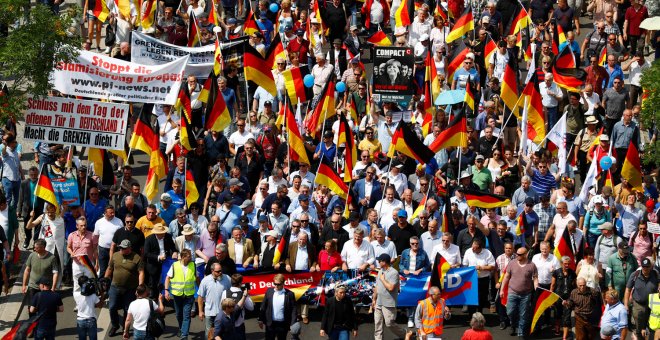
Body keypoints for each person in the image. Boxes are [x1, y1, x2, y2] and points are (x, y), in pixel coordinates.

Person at [105, 240, 145, 337]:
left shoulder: (137, 258)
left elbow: (141, 272)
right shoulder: (115, 255)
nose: (121, 249)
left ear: (129, 248)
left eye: (123, 248)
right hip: (115, 286)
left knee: (127, 309)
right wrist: (105, 280)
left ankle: (124, 327)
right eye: (120, 247)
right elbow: (110, 268)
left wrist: (140, 287)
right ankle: (115, 325)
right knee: (112, 307)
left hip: (130, 289)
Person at [372, 253, 410, 340]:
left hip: (388, 303)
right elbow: (377, 287)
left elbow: (391, 287)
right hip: (379, 302)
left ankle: (405, 334)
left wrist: (382, 279)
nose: (378, 262)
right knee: (377, 324)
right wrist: (374, 299)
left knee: (389, 324)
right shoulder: (380, 271)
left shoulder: (394, 273)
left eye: (379, 261)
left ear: (384, 262)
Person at [164, 249, 199, 339]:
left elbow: (197, 278)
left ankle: (184, 335)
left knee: (186, 315)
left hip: (189, 295)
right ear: (183, 257)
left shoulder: (193, 265)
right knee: (179, 314)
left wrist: (200, 289)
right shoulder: (175, 265)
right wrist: (166, 290)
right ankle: (181, 328)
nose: (191, 257)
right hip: (177, 295)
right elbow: (168, 278)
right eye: (189, 256)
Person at [624, 258, 659, 340]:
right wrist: (626, 304)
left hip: (652, 306)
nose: (645, 269)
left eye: (647, 267)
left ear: (650, 267)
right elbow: (628, 289)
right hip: (638, 305)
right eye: (644, 267)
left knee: (651, 326)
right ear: (641, 266)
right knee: (638, 326)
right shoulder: (635, 274)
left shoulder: (656, 274)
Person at [143, 223, 178, 299]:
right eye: (160, 233)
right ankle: (153, 298)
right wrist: (158, 257)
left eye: (163, 233)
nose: (162, 235)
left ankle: (164, 295)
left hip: (166, 262)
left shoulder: (168, 237)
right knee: (153, 282)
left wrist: (175, 252)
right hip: (154, 263)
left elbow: (173, 247)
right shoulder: (149, 239)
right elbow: (146, 253)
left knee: (165, 279)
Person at [258, 273, 297, 340]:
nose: (276, 286)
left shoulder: (290, 294)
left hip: (283, 324)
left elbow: (294, 309)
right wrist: (260, 319)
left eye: (278, 284)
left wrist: (292, 323)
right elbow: (263, 305)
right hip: (270, 323)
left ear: (283, 284)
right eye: (274, 284)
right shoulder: (269, 291)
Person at [66, 216, 98, 293]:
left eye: (85, 225)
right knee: (77, 285)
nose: (84, 227)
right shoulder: (71, 235)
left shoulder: (92, 235)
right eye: (81, 225)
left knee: (89, 283)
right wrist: (71, 252)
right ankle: (78, 303)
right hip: (77, 264)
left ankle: (88, 303)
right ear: (77, 226)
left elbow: (95, 250)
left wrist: (97, 263)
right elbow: (68, 247)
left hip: (88, 263)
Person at [74, 275, 104, 340]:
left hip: (80, 320)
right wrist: (102, 295)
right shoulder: (93, 296)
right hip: (91, 320)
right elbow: (100, 306)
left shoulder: (75, 294)